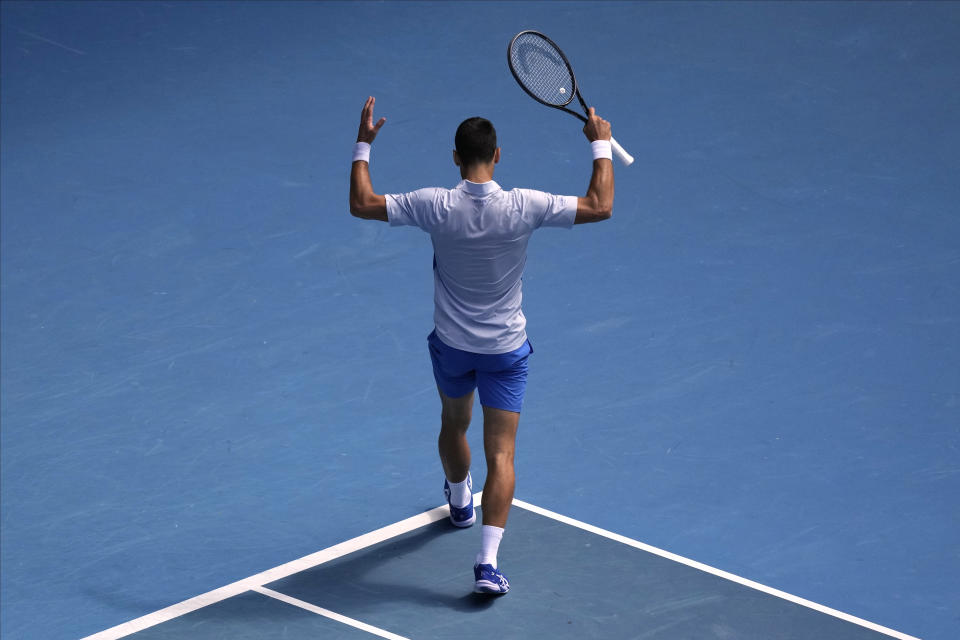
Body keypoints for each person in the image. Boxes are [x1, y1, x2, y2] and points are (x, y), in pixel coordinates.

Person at [349, 96, 614, 594]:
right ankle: (487, 565)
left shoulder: (434, 204)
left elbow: (362, 203)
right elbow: (600, 205)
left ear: (455, 157)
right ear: (498, 155)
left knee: (453, 423)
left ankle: (457, 499)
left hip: (452, 346)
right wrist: (599, 142)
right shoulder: (523, 206)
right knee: (504, 454)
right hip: (505, 352)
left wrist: (364, 143)